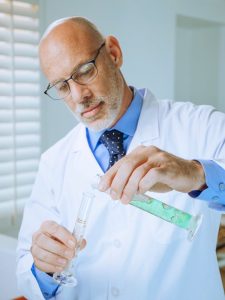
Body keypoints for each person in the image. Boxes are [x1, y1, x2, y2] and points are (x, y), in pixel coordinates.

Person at [16, 16, 225, 300]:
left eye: (85, 71)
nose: (79, 96)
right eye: (62, 87)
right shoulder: (53, 162)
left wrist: (195, 173)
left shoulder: (200, 125)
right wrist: (43, 267)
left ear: (113, 53)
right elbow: (26, 273)